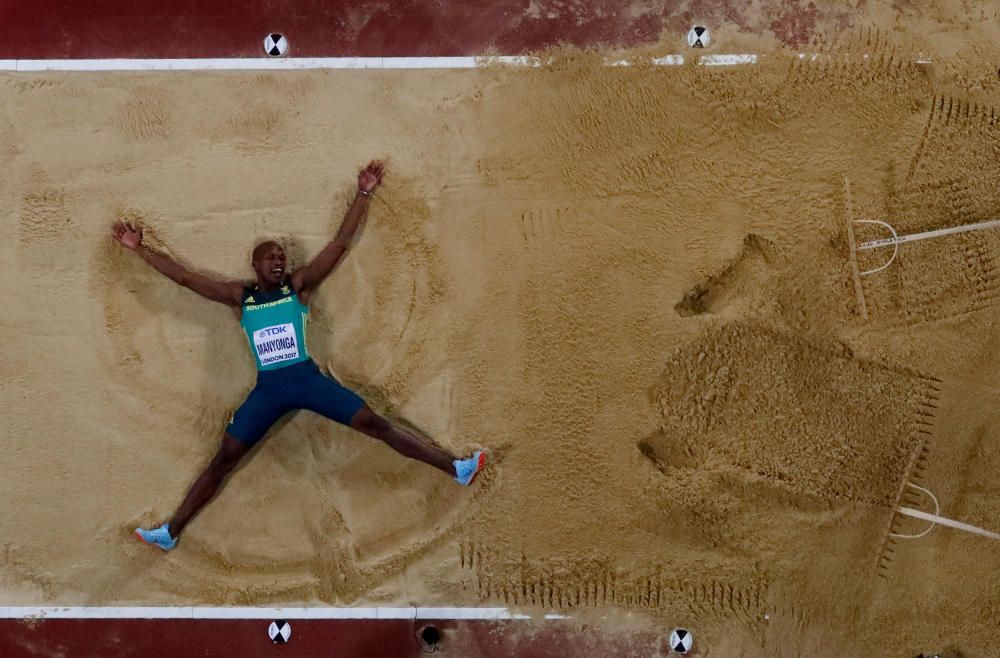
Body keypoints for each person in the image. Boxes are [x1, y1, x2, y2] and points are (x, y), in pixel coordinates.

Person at [115, 160, 486, 551]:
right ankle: (170, 532)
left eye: (282, 257)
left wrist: (363, 193)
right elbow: (186, 278)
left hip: (307, 381)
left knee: (376, 424)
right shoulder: (241, 296)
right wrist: (140, 250)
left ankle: (456, 469)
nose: (279, 262)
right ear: (255, 265)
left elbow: (339, 244)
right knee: (224, 458)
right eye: (271, 257)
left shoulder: (299, 287)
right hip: (269, 391)